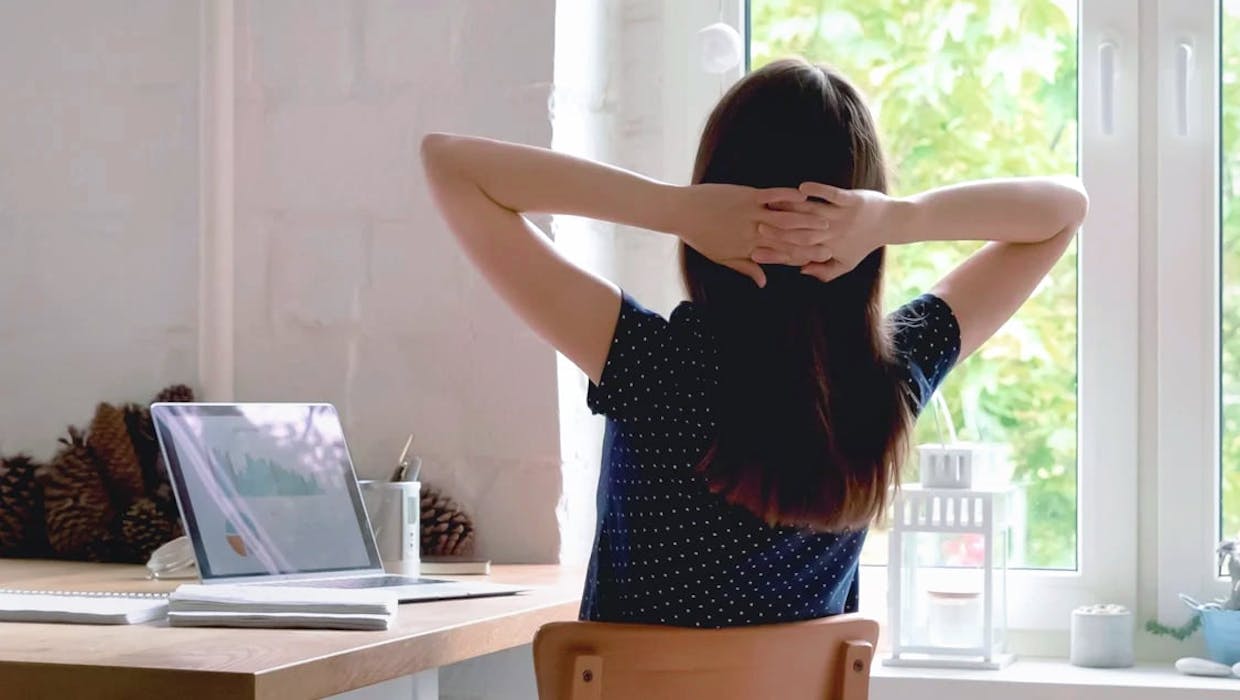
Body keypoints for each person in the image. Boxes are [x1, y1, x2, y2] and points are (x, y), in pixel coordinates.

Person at [420, 58, 1087, 627]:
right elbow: (1063, 209)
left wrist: (674, 207)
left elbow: (451, 166)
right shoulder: (889, 375)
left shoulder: (651, 363)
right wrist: (900, 219)